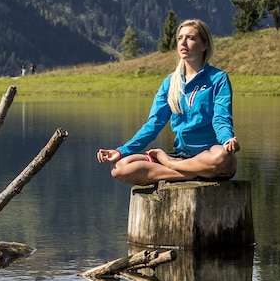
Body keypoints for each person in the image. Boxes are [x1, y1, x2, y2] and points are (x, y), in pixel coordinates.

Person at [96, 18, 239, 184]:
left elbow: (221, 118)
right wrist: (121, 151)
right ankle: (193, 172)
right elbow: (153, 124)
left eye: (191, 38)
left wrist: (227, 139)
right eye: (180, 38)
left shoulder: (218, 78)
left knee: (223, 157)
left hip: (208, 154)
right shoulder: (170, 83)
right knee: (120, 167)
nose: (183, 42)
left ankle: (171, 165)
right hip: (182, 155)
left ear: (204, 45)